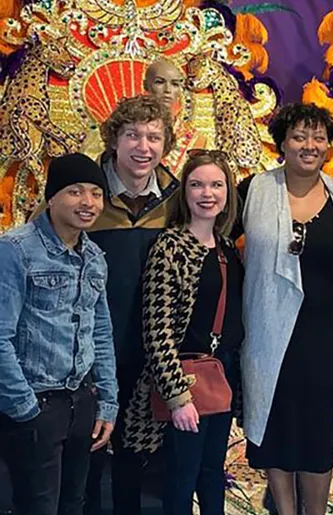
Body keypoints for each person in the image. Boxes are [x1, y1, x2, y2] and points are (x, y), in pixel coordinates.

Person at [240, 103, 333, 515]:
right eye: (299, 136)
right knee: (277, 427)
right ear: (282, 142)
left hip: (326, 335)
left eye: (318, 137)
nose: (310, 145)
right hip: (268, 331)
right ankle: (285, 510)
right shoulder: (255, 190)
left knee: (317, 430)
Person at [120, 150, 243, 515]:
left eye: (216, 184)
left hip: (221, 379)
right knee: (180, 478)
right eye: (197, 184)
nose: (207, 193)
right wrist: (176, 396)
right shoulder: (171, 246)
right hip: (187, 384)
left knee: (211, 474)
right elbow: (157, 331)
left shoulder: (226, 249)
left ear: (228, 193)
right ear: (185, 193)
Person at [0, 153, 118, 515]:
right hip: (36, 403)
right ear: (52, 196)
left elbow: (101, 332)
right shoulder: (15, 249)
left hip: (82, 401)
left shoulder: (94, 256)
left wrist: (108, 402)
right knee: (38, 507)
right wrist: (24, 407)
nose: (88, 202)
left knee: (73, 503)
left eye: (96, 193)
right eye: (75, 191)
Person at [83, 94, 181, 515]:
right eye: (133, 136)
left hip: (151, 351)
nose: (144, 147)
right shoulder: (86, 196)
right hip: (89, 349)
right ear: (113, 140)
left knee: (134, 455)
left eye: (153, 137)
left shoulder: (178, 198)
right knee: (86, 449)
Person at [143, 57, 207, 173]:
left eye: (174, 84)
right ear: (146, 85)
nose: (167, 90)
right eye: (160, 82)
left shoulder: (196, 140)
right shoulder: (127, 130)